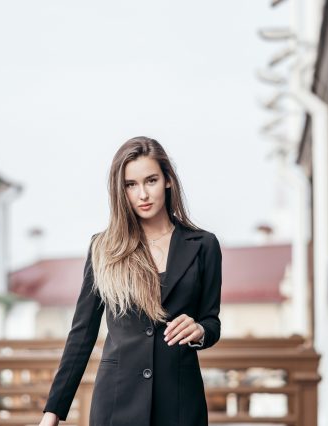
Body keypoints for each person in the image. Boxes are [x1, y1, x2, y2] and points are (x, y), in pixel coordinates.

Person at [39, 136, 222, 426]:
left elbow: (212, 321)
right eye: (131, 185)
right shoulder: (104, 248)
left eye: (150, 180)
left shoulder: (203, 245)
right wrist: (52, 413)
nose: (142, 195)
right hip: (116, 403)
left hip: (180, 403)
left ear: (168, 181)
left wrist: (200, 330)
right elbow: (82, 334)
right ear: (120, 190)